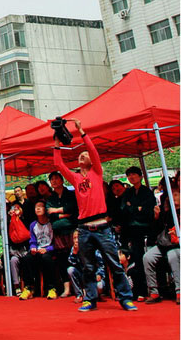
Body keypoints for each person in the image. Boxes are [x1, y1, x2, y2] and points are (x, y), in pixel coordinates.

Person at [53, 118, 136, 311]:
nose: (83, 155)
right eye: (80, 155)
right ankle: (90, 299)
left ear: (91, 160)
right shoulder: (75, 178)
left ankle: (125, 298)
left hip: (102, 227)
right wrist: (57, 141)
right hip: (84, 228)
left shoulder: (97, 172)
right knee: (88, 267)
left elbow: (93, 150)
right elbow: (58, 164)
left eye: (85, 154)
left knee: (114, 264)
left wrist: (81, 131)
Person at [120, 166, 156, 298]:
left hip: (144, 229)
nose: (131, 177)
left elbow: (147, 211)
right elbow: (124, 209)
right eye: (129, 175)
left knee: (143, 259)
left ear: (140, 176)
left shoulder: (147, 192)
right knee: (135, 259)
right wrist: (137, 208)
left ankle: (148, 289)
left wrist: (133, 208)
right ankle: (138, 290)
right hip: (131, 231)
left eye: (134, 174)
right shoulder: (128, 193)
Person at [143, 189, 180, 305]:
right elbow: (156, 230)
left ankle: (179, 291)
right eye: (172, 195)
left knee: (173, 256)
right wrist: (156, 217)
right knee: (147, 257)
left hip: (177, 245)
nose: (173, 197)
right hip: (165, 244)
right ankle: (154, 292)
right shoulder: (166, 213)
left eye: (176, 194)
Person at [46, 170, 78, 297]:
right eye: (51, 179)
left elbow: (73, 209)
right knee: (62, 260)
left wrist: (57, 211)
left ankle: (79, 286)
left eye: (56, 178)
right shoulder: (51, 198)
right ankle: (67, 288)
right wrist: (64, 214)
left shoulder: (70, 194)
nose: (54, 181)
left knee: (75, 256)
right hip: (58, 232)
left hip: (71, 230)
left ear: (62, 180)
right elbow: (49, 213)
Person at [19, 201, 56, 300]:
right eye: (36, 207)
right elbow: (32, 240)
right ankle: (29, 288)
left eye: (40, 207)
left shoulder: (51, 223)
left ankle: (51, 288)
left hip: (49, 250)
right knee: (26, 259)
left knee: (46, 259)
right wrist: (33, 247)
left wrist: (47, 249)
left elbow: (56, 242)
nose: (38, 209)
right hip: (37, 250)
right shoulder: (33, 225)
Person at [67, 229, 105, 300]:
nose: (76, 240)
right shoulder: (74, 248)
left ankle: (93, 294)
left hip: (94, 276)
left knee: (99, 286)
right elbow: (71, 263)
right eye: (74, 238)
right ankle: (79, 295)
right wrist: (74, 253)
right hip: (82, 275)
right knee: (70, 270)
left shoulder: (92, 248)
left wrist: (99, 274)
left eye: (78, 238)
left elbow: (101, 264)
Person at [7, 202, 32, 297]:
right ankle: (16, 286)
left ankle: (28, 286)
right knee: (13, 261)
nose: (15, 210)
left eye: (17, 208)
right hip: (15, 250)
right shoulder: (9, 222)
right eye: (13, 208)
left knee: (27, 260)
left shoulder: (25, 221)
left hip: (25, 249)